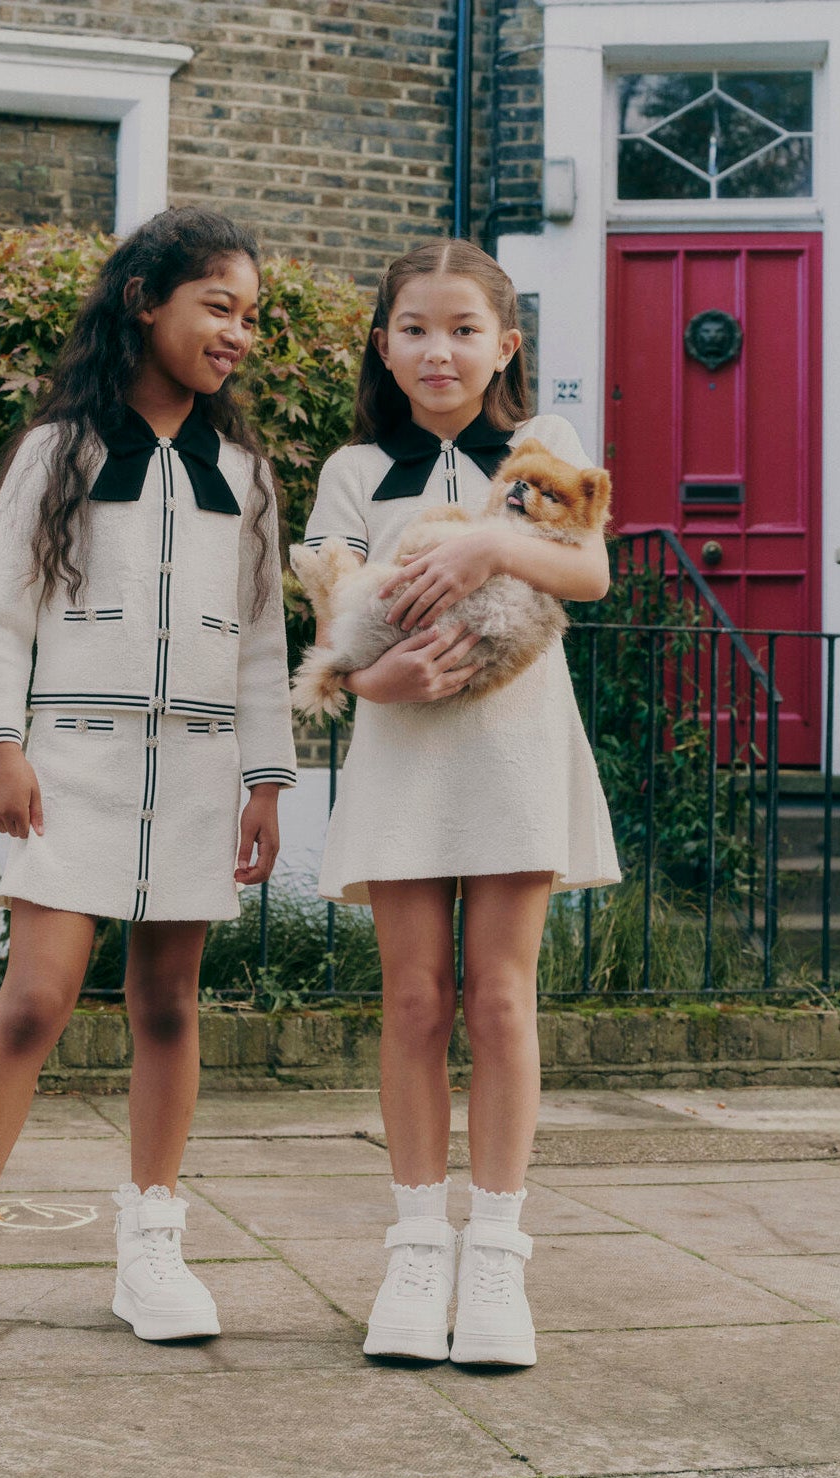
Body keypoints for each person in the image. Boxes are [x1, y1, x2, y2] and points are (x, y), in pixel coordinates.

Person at [0, 206, 296, 1358]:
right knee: (35, 1001)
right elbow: (3, 612)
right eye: (219, 306)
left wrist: (268, 780)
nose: (238, 333)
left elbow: (263, 644)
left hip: (204, 769)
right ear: (143, 300)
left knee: (167, 1007)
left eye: (251, 317)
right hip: (74, 763)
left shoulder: (248, 476)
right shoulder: (59, 452)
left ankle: (152, 1247)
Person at [300, 239, 620, 1366]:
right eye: (416, 330)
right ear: (383, 345)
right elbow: (331, 606)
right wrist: (363, 678)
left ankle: (496, 1258)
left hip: (515, 745)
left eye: (465, 330)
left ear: (507, 344)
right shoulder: (350, 470)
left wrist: (494, 538)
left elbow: (588, 573)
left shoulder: (546, 451)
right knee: (415, 1000)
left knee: (500, 997)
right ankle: (413, 1250)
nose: (440, 351)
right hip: (401, 746)